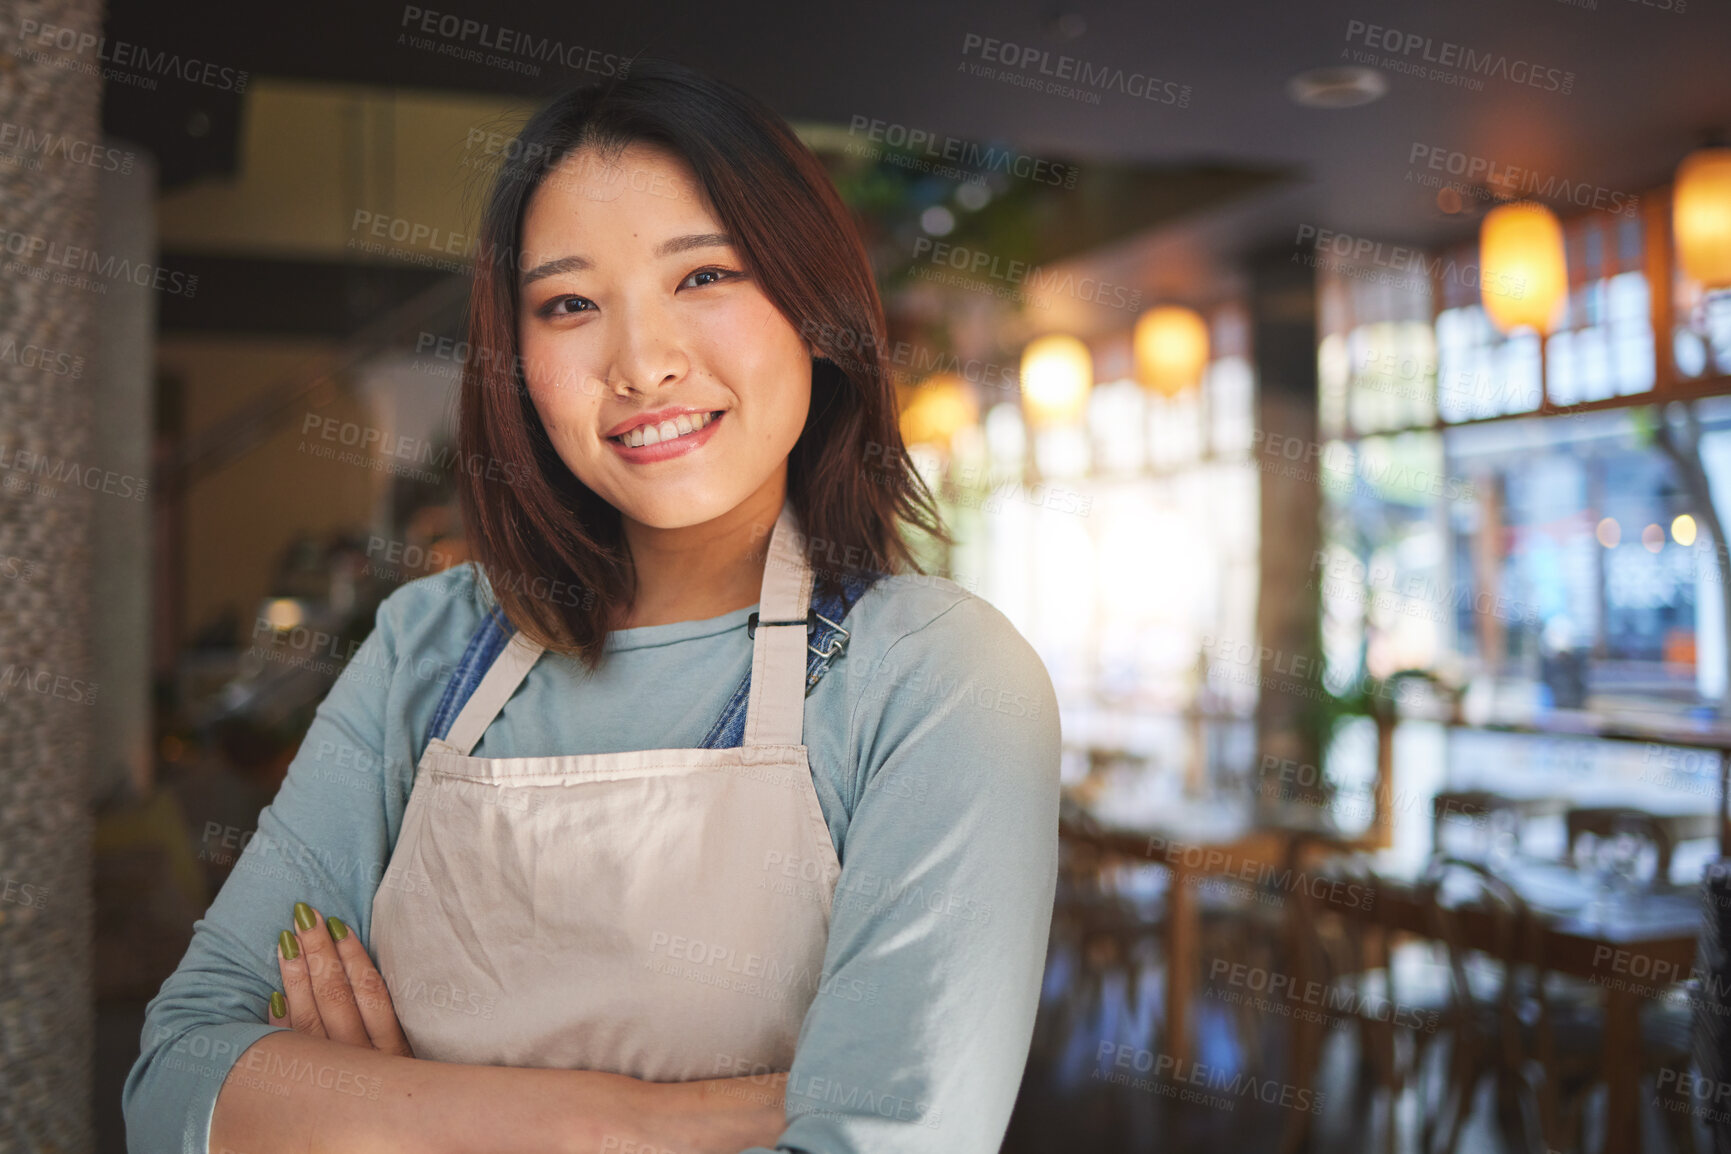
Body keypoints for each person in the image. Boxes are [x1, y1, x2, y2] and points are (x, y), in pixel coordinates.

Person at [123, 58, 1060, 1154]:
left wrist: (379, 1111)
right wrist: (634, 1120)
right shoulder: (427, 644)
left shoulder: (938, 681)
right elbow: (177, 1083)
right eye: (569, 304)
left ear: (815, 305)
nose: (643, 363)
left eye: (704, 276)